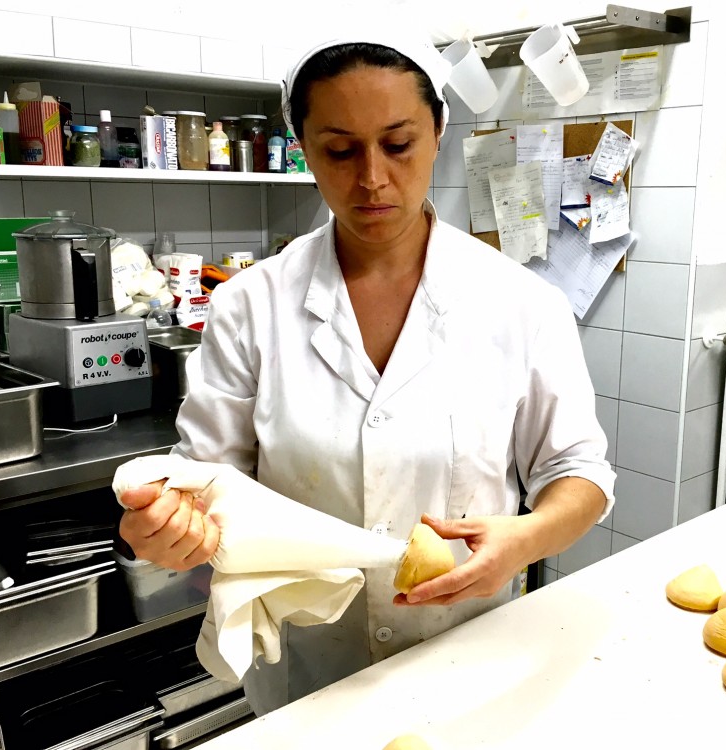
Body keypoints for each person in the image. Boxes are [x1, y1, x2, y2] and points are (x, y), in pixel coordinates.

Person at [116, 24, 616, 714]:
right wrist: (172, 532)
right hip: (309, 676)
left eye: (399, 143)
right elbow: (208, 489)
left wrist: (523, 541)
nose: (372, 178)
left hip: (469, 658)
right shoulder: (249, 307)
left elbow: (580, 474)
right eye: (340, 150)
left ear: (438, 132)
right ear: (305, 151)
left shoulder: (521, 304)